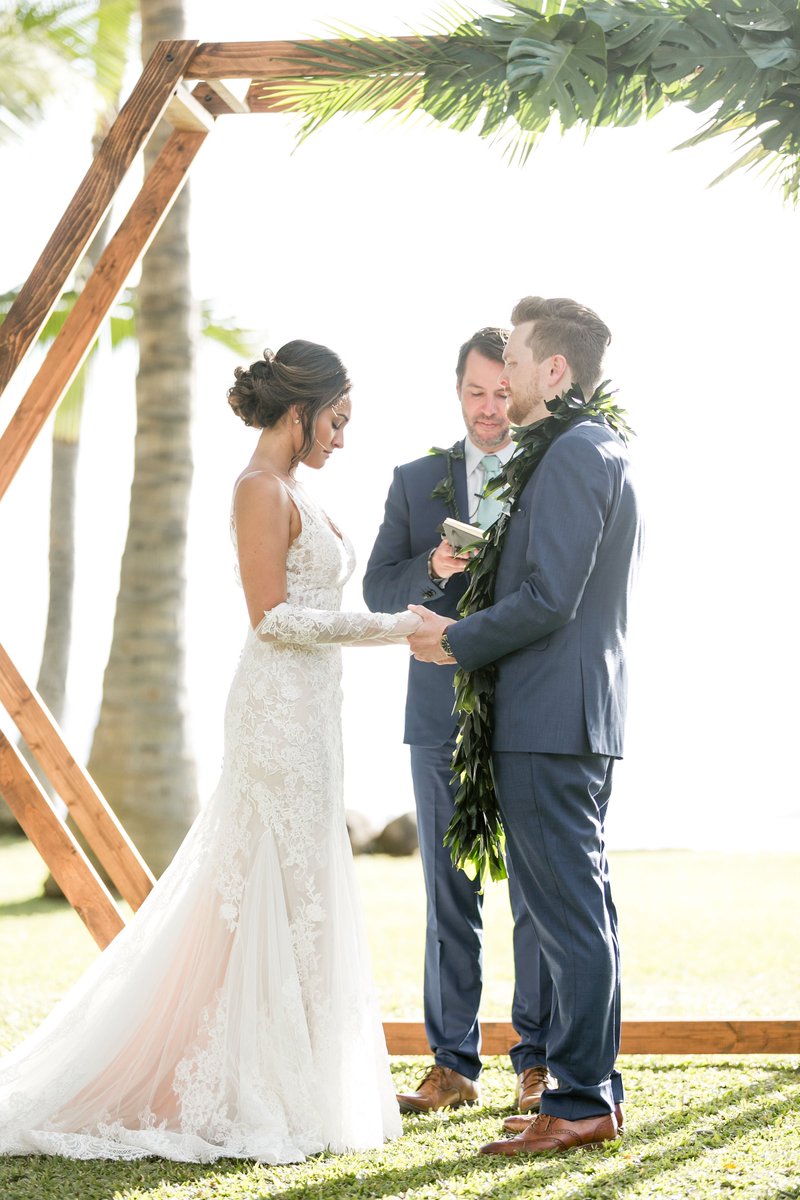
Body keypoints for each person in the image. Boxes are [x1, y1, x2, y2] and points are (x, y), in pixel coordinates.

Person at [0, 339, 420, 1163]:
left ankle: (293, 1072)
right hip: (274, 719)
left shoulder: (295, 486)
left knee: (304, 894)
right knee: (266, 886)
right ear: (298, 412)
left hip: (313, 717)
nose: (342, 435)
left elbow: (322, 599)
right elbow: (272, 618)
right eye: (336, 419)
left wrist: (415, 592)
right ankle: (244, 1081)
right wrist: (398, 631)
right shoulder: (257, 489)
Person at [408, 297, 643, 1156]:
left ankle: (578, 1101)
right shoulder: (584, 448)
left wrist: (454, 639)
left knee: (568, 915)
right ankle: (592, 1091)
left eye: (510, 359)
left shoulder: (578, 452)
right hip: (564, 715)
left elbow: (552, 597)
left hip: (551, 717)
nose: (498, 379)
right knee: (582, 910)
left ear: (554, 371)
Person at [363, 328, 555, 1116]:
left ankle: (539, 1063)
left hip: (531, 705)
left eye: (500, 393)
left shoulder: (553, 468)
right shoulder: (416, 480)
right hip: (438, 713)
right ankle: (452, 1066)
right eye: (475, 393)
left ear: (520, 388)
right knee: (449, 893)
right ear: (456, 391)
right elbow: (377, 589)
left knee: (540, 891)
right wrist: (430, 571)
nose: (489, 409)